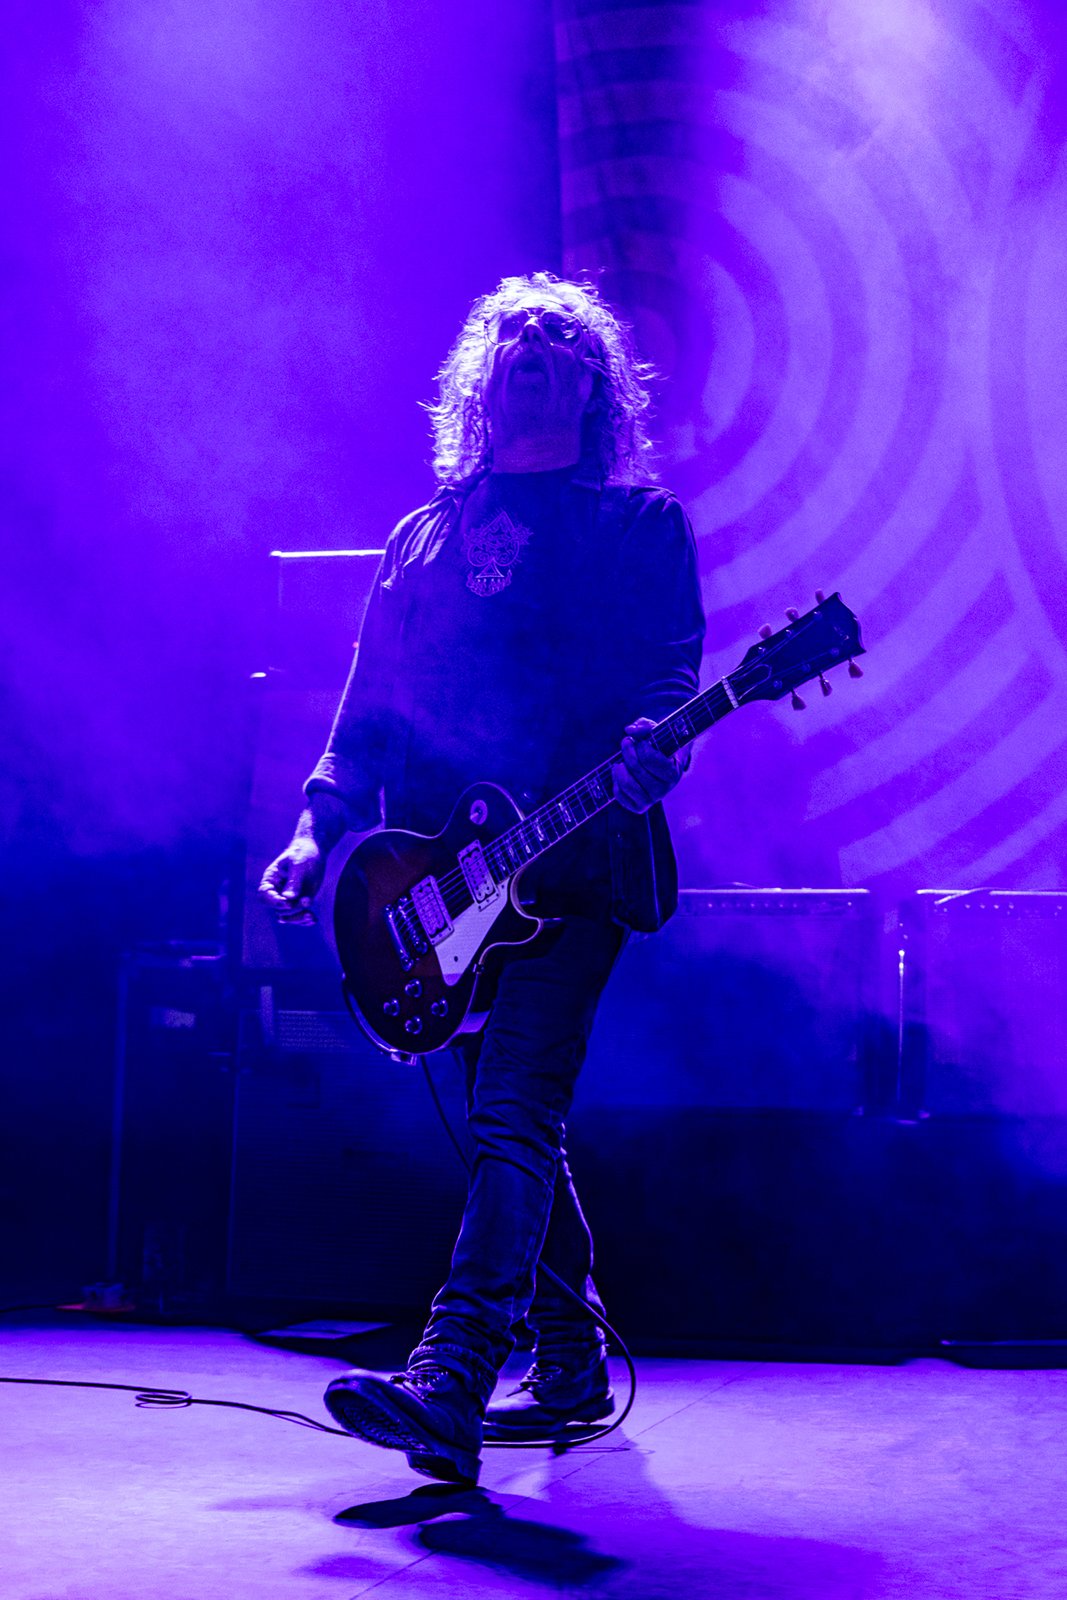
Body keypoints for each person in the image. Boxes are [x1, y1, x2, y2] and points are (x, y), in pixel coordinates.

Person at [259, 272, 705, 1484]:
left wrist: (652, 746)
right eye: (515, 331)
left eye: (561, 335)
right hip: (437, 879)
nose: (535, 343)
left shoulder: (635, 527)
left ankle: (449, 1377)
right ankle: (569, 1358)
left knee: (512, 1109)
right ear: (479, 378)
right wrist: (314, 829)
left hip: (574, 861)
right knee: (510, 1128)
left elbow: (669, 675)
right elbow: (368, 705)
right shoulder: (422, 538)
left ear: (594, 386)